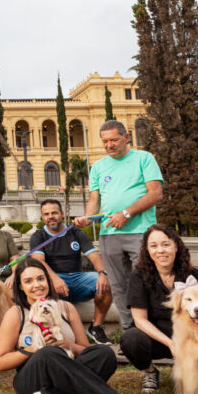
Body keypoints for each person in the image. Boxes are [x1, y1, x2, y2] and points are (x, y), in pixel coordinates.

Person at [0, 257, 161, 394]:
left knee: (104, 354)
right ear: (21, 286)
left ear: (48, 281)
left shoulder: (66, 308)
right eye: (28, 281)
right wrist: (33, 349)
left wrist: (67, 345)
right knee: (49, 353)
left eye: (40, 279)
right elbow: (0, 362)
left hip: (65, 370)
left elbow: (86, 351)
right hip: (32, 379)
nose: (36, 285)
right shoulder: (16, 313)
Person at [119, 224, 198, 393]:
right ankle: (150, 372)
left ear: (176, 246)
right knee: (131, 340)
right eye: (154, 246)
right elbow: (140, 320)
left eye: (166, 244)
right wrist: (171, 343)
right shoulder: (139, 276)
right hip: (159, 339)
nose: (161, 251)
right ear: (147, 251)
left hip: (192, 337)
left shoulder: (192, 274)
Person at [74, 120, 163, 331]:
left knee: (148, 280)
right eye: (105, 141)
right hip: (109, 234)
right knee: (118, 285)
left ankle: (156, 330)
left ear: (126, 137)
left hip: (141, 232)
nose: (109, 145)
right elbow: (95, 200)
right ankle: (130, 333)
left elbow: (156, 193)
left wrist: (126, 213)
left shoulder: (144, 159)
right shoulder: (98, 166)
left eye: (114, 140)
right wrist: (87, 217)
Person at [30, 199, 113, 345]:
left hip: (78, 278)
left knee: (105, 284)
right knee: (44, 284)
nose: (51, 216)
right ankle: (56, 332)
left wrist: (102, 273)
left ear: (62, 214)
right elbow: (39, 262)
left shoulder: (75, 232)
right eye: (46, 214)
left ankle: (96, 328)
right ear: (42, 217)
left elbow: (93, 255)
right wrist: (55, 278)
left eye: (54, 212)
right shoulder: (38, 236)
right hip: (54, 280)